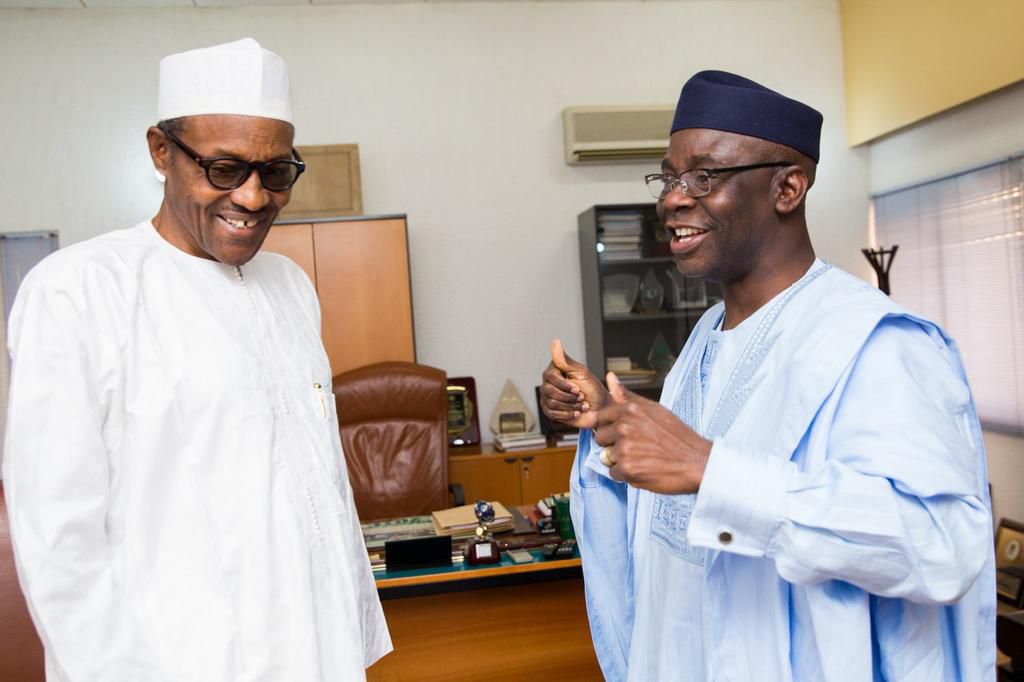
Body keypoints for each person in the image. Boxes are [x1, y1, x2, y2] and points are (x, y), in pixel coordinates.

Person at [541, 70, 994, 681]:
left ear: (787, 188)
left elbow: (942, 546)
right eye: (670, 177)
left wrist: (712, 469)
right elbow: (671, 523)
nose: (673, 198)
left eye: (704, 176)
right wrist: (608, 425)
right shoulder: (704, 339)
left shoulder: (877, 343)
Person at [3, 38, 391, 681]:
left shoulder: (291, 286)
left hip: (317, 653)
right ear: (161, 151)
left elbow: (320, 491)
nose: (253, 197)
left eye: (274, 172)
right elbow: (58, 541)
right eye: (224, 169)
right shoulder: (79, 290)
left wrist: (349, 646)